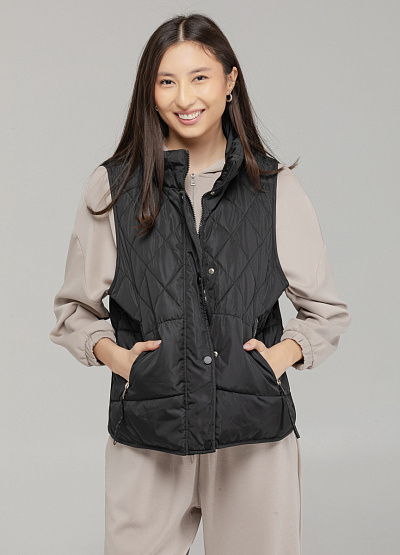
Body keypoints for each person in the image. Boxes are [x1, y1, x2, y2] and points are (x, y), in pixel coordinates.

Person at [49, 13, 351, 555]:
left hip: (253, 439)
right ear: (150, 90)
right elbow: (74, 311)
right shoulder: (113, 187)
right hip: (149, 435)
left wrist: (275, 360)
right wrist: (123, 362)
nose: (184, 97)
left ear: (230, 81)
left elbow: (326, 311)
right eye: (167, 81)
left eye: (200, 77)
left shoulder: (274, 188)